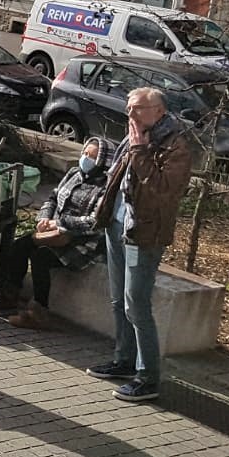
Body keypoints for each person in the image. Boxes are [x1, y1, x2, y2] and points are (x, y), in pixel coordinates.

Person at [88, 88, 193, 403]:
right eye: (129, 108)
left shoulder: (176, 145)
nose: (130, 115)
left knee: (137, 304)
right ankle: (124, 360)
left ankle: (148, 377)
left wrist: (140, 151)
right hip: (117, 224)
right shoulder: (134, 136)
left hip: (144, 233)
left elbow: (161, 191)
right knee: (118, 300)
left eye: (138, 109)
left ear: (159, 111)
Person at [3, 138, 109, 331]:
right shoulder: (74, 173)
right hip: (54, 232)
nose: (86, 159)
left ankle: (38, 312)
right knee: (20, 245)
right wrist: (44, 218)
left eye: (92, 156)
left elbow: (95, 222)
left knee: (40, 257)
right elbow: (52, 198)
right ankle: (9, 294)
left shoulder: (105, 186)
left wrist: (61, 224)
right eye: (85, 153)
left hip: (81, 242)